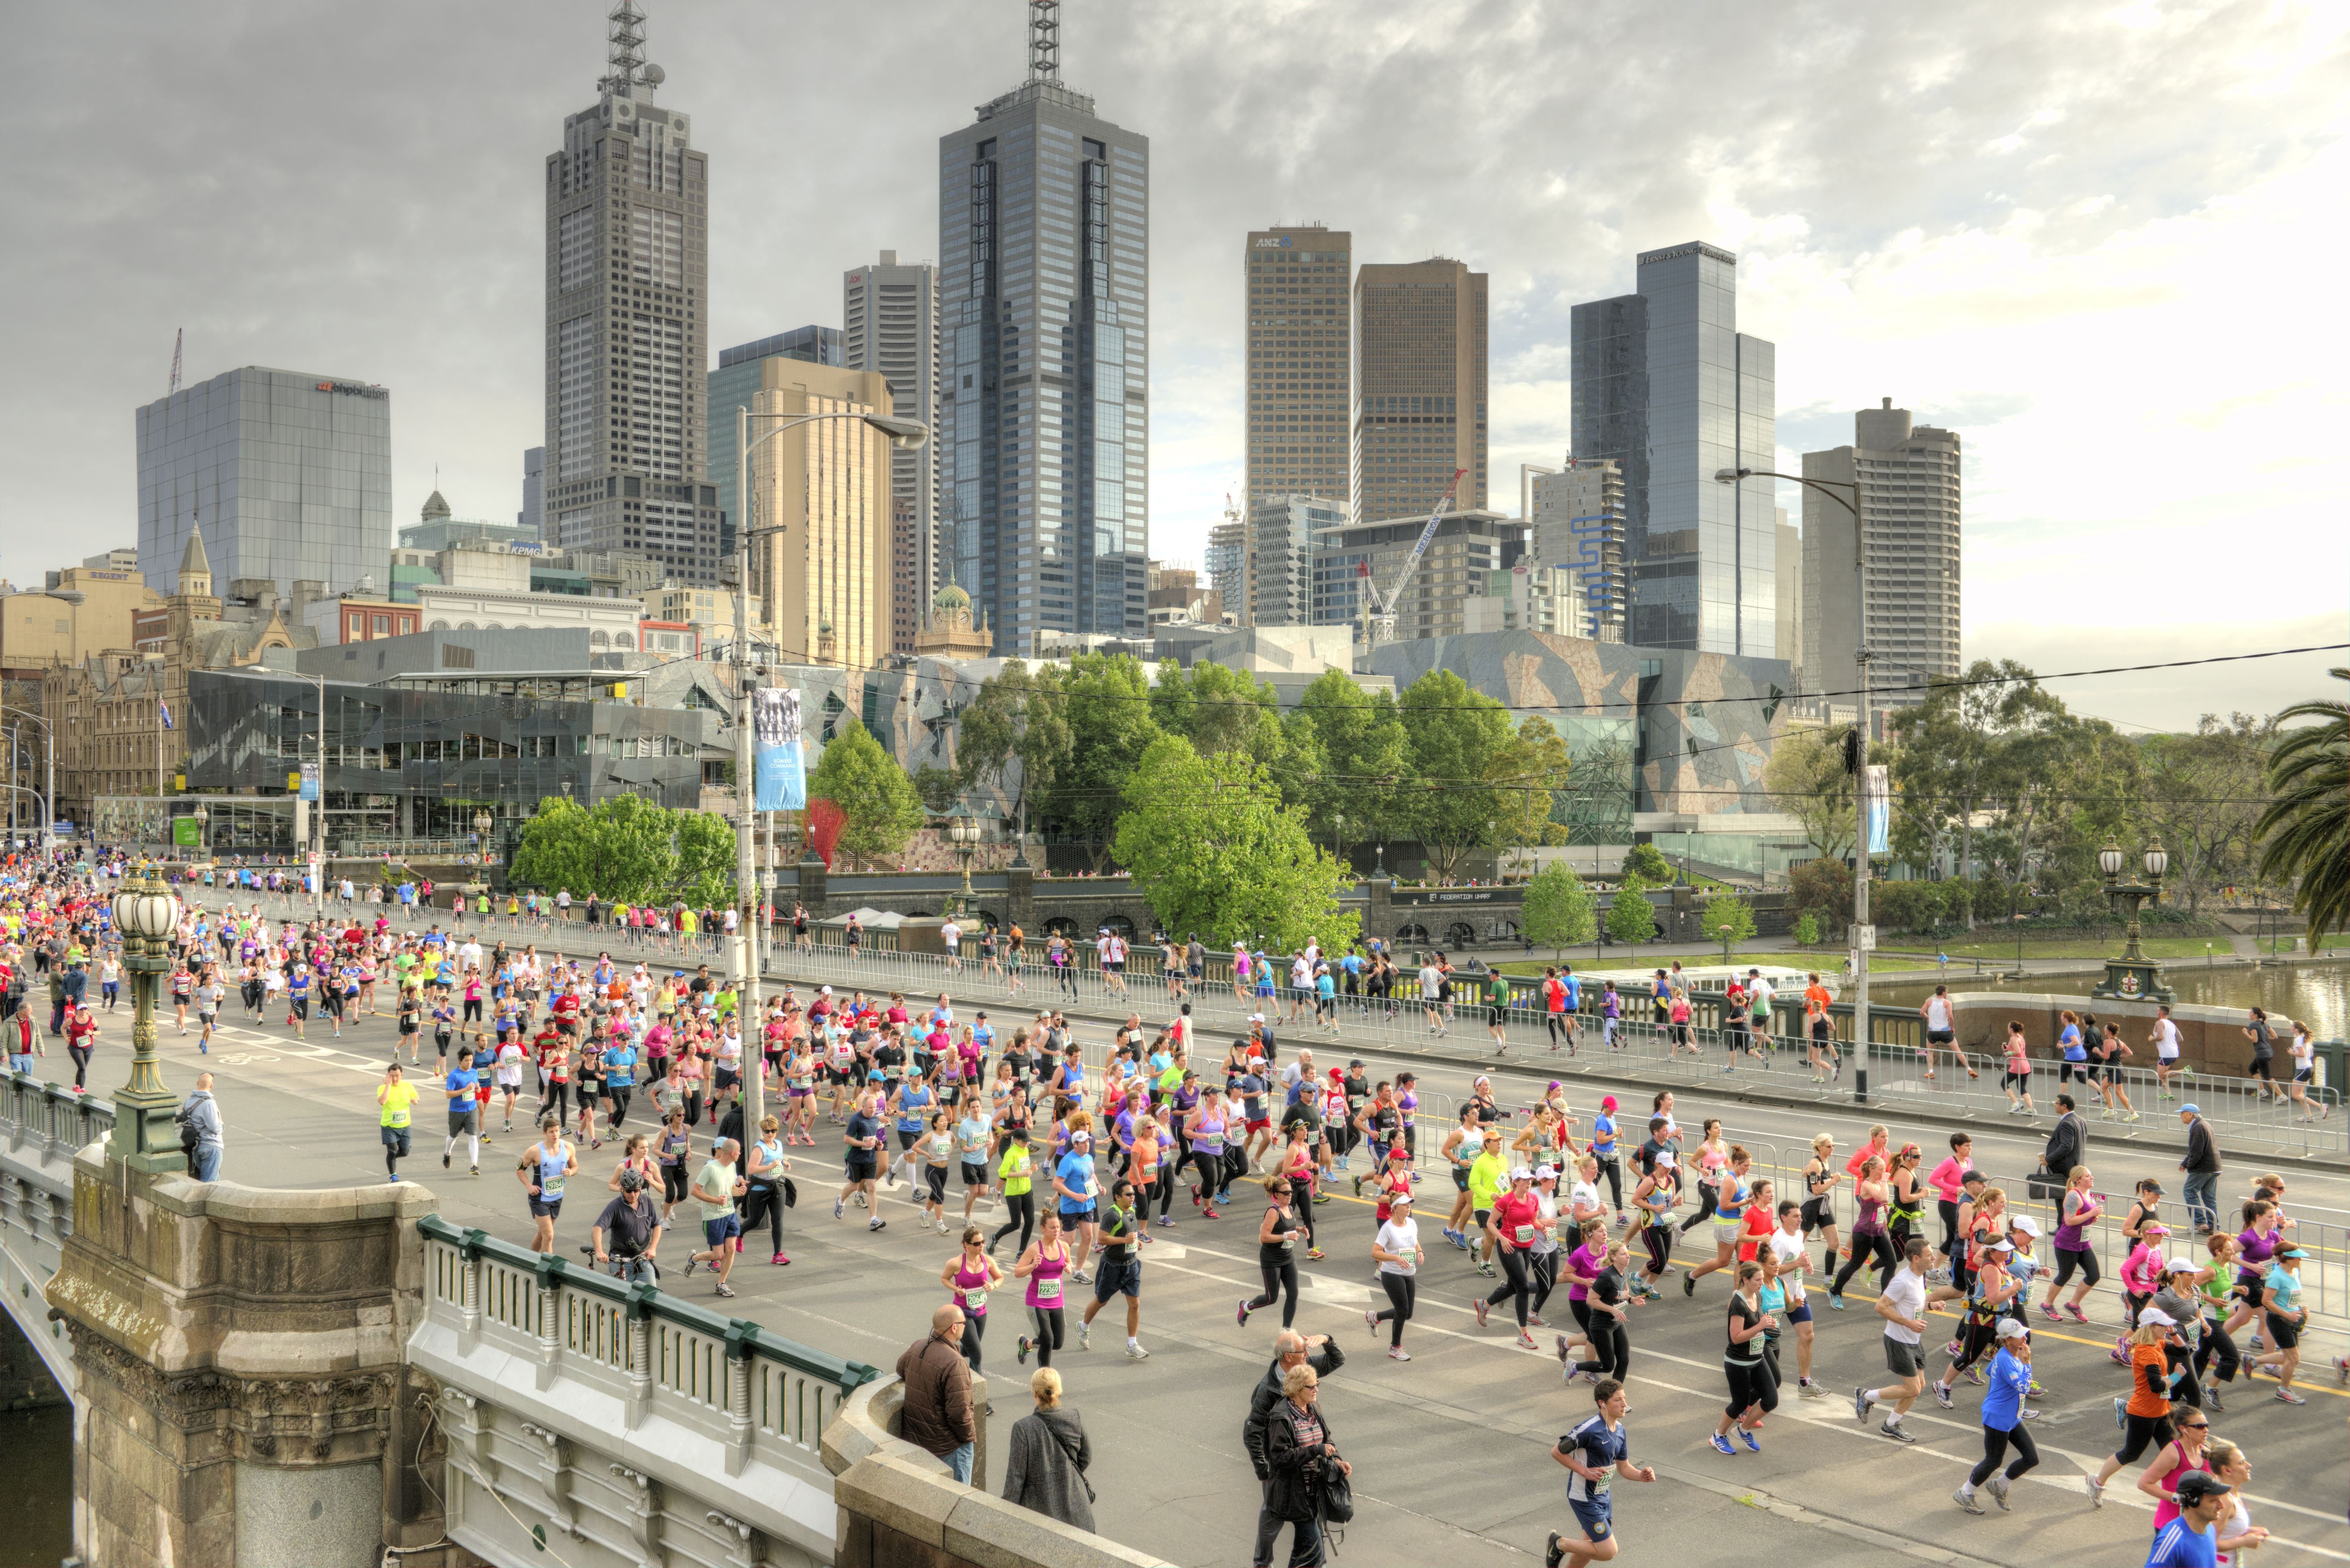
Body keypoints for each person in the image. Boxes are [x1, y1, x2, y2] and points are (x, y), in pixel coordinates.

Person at [1260, 1362, 1345, 1568]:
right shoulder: (1281, 1417)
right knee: (1315, 1553)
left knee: (1304, 1552)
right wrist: (1315, 1450)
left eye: (1317, 1384)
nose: (1316, 1389)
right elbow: (1281, 1458)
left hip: (1315, 1494)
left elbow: (1328, 1440)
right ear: (1298, 1389)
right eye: (1311, 1386)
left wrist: (1338, 1461)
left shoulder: (1313, 1409)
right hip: (1295, 1495)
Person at [1852, 1236, 1935, 1443]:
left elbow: (1910, 1305)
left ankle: (1890, 1425)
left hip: (1914, 1339)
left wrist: (1931, 1307)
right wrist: (1908, 1323)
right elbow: (1881, 1307)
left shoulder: (1920, 1276)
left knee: (1920, 1385)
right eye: (1929, 1255)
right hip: (1899, 1340)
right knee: (1912, 1388)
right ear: (1916, 1259)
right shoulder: (1902, 1281)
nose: (1934, 1258)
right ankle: (1866, 1396)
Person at [1951, 1318, 2038, 1513]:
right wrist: (2028, 1363)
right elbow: (2024, 1387)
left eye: (2024, 1334)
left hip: (2012, 1416)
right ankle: (1965, 1493)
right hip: (1998, 1417)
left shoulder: (2010, 1355)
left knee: (2031, 1458)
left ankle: (2000, 1486)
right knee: (1993, 1460)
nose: (2025, 1338)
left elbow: (1992, 1372)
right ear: (2007, 1340)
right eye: (2019, 1336)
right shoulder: (2009, 1359)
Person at [898, 1303, 980, 1485]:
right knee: (959, 1499)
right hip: (948, 1446)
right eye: (964, 1323)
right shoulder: (955, 1363)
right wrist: (969, 1437)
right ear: (954, 1328)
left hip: (917, 1439)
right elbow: (959, 1414)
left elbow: (900, 1368)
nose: (966, 1326)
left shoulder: (918, 1346)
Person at [1079, 1178, 1149, 1360]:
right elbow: (1101, 1239)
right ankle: (1083, 1326)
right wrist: (1125, 1241)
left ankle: (1132, 1345)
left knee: (1135, 1304)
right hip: (1112, 1267)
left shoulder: (1131, 1211)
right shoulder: (1112, 1215)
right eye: (1128, 1194)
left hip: (1131, 1266)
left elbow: (1129, 1236)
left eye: (1133, 1194)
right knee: (1101, 1301)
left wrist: (1137, 1242)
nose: (1132, 1197)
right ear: (1118, 1197)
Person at [681, 1137, 744, 1299]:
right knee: (718, 1255)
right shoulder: (710, 1168)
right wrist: (715, 1200)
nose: (740, 1154)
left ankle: (721, 1284)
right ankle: (694, 1258)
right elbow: (695, 1191)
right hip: (713, 1216)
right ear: (732, 1153)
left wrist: (740, 1191)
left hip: (730, 1213)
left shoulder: (732, 1166)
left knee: (731, 1249)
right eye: (739, 1152)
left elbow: (730, 1189)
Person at [1367, 1189, 1423, 1360]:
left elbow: (1415, 1241)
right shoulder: (1388, 1228)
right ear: (1396, 1208)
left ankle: (1375, 1317)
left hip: (1409, 1272)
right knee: (1402, 1310)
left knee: (1408, 1313)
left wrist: (1420, 1252)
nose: (1408, 1208)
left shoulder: (1411, 1223)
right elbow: (1375, 1252)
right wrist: (1395, 1258)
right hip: (1391, 1273)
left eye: (1409, 1205)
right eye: (1405, 1205)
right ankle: (1395, 1347)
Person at [589, 1168, 664, 1286]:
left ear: (641, 1189)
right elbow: (597, 1228)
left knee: (650, 1295)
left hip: (642, 1259)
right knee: (623, 1298)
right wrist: (599, 1252)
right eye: (629, 1191)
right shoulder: (615, 1206)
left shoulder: (647, 1201)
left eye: (636, 1190)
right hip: (621, 1262)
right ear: (622, 1189)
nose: (633, 1194)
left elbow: (657, 1225)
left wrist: (653, 1248)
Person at [2144, 1472, 2235, 1568]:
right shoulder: (2172, 1541)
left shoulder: (2210, 1529)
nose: (2222, 1506)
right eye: (2213, 1501)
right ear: (2193, 1502)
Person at [2178, 1104, 2221, 1234]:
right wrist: (2185, 1163)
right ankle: (2214, 1227)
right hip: (2214, 1166)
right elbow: (2195, 1149)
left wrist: (2190, 1166)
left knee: (2189, 1192)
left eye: (2182, 1113)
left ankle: (2200, 1223)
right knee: (2209, 1198)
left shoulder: (2197, 1127)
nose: (2181, 1116)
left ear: (2191, 1115)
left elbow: (2197, 1152)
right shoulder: (2204, 1124)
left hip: (2204, 1168)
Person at [376, 1062, 420, 1180]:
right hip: (389, 1126)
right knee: (393, 1150)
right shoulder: (382, 1088)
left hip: (405, 1125)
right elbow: (382, 1102)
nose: (395, 1079)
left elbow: (416, 1096)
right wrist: (388, 1086)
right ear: (388, 1076)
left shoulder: (407, 1086)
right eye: (392, 1076)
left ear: (402, 1075)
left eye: (397, 1076)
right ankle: (393, 1175)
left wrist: (416, 1100)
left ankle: (391, 1157)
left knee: (405, 1152)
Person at [179, 1072, 224, 1182]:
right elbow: (215, 1127)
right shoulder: (209, 1104)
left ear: (197, 1083)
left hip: (196, 1146)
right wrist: (222, 1125)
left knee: (207, 1180)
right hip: (211, 1146)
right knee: (210, 1183)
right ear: (211, 1086)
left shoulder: (189, 1102)